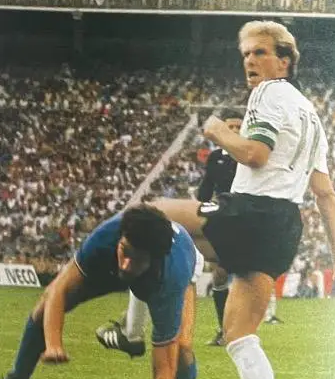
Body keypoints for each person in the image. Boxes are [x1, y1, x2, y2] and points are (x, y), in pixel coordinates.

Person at [138, 20, 335, 379]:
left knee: (148, 215)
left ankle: (128, 331)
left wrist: (219, 130)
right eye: (245, 55)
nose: (250, 62)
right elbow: (326, 194)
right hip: (283, 226)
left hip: (253, 211)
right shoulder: (311, 115)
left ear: (285, 61)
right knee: (239, 333)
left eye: (260, 52)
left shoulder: (268, 94)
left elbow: (255, 155)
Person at [0, 204, 202, 379]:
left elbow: (164, 370)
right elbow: (57, 291)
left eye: (136, 259)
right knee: (43, 310)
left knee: (181, 350)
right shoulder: (107, 237)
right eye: (125, 252)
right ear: (121, 239)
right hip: (111, 268)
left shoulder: (171, 276)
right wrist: (53, 343)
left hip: (170, 273)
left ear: (153, 259)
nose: (127, 265)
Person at [96, 107, 243, 356]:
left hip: (234, 223)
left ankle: (136, 325)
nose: (235, 132)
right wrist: (197, 205)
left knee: (155, 242)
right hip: (216, 220)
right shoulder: (216, 158)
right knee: (159, 248)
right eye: (231, 127)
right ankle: (137, 324)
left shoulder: (248, 156)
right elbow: (206, 191)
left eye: (239, 128)